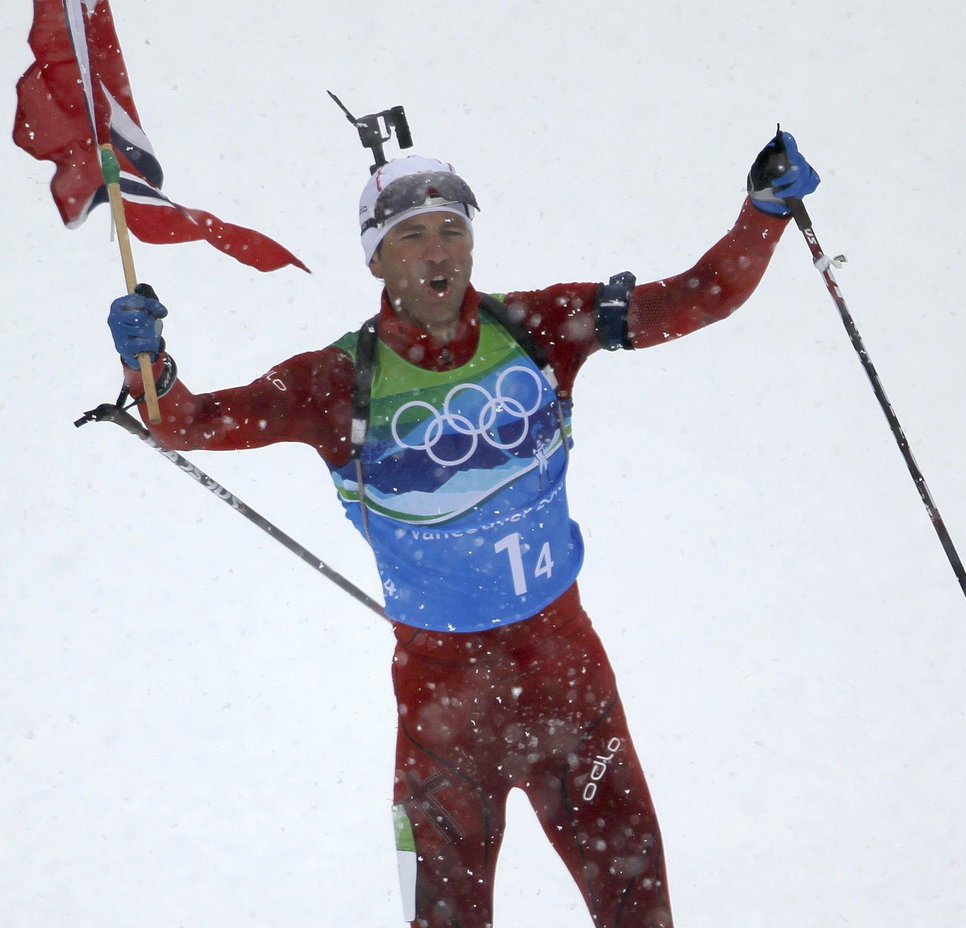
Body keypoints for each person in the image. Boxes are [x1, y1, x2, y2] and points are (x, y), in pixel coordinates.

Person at [107, 130, 818, 928]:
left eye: (451, 229)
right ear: (375, 260)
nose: (436, 250)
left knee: (640, 912)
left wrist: (763, 213)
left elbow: (700, 295)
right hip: (444, 706)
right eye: (409, 235)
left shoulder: (542, 327)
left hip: (568, 681)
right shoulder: (337, 380)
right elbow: (191, 424)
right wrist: (151, 368)